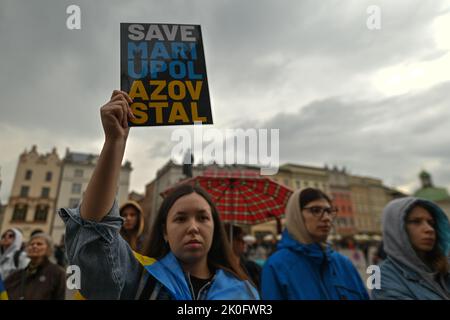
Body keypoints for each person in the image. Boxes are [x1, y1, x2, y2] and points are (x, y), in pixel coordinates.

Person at [58, 90, 259, 300]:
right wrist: (114, 142)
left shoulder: (244, 293)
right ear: (164, 231)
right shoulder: (140, 279)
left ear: (215, 227)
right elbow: (95, 239)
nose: (193, 227)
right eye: (181, 218)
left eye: (202, 217)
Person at [261, 188, 369, 300]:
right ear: (296, 215)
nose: (327, 218)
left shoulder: (343, 263)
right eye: (316, 210)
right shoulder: (276, 267)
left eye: (329, 211)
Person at [371, 197, 450, 300]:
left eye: (431, 223)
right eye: (416, 222)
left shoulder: (444, 266)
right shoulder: (381, 276)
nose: (429, 229)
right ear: (396, 229)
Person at [5, 232, 66, 300]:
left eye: (39, 244)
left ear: (48, 249)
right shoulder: (16, 275)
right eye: (31, 244)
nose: (34, 246)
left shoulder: (57, 273)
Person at [224, 224, 262, 291]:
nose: (243, 242)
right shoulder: (221, 272)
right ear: (228, 241)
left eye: (243, 238)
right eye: (239, 239)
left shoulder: (251, 268)